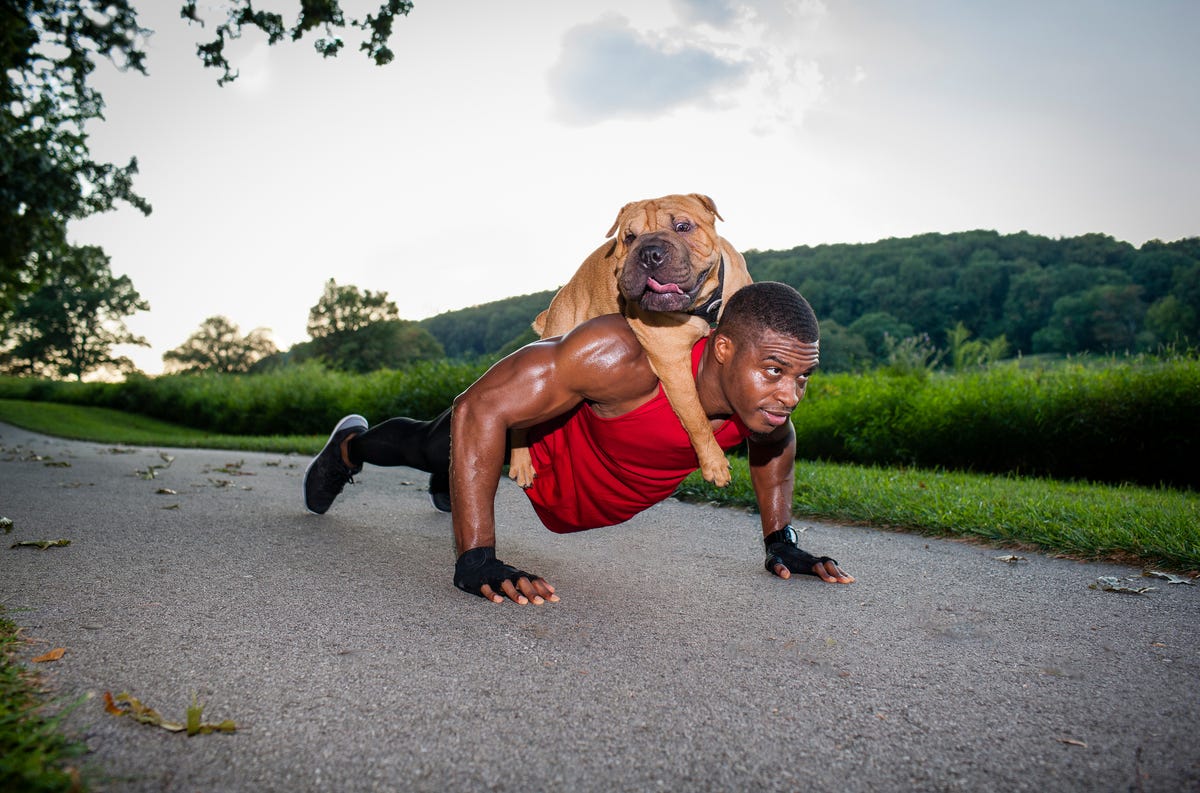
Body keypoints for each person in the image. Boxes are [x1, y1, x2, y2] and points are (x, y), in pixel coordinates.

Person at [303, 281, 854, 605]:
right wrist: (476, 558)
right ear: (724, 349)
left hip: (573, 497)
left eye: (802, 378)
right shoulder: (624, 356)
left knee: (452, 462)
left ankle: (450, 480)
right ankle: (349, 446)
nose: (790, 394)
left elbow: (777, 452)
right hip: (533, 440)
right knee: (433, 445)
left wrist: (780, 541)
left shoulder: (760, 414)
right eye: (775, 370)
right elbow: (482, 407)